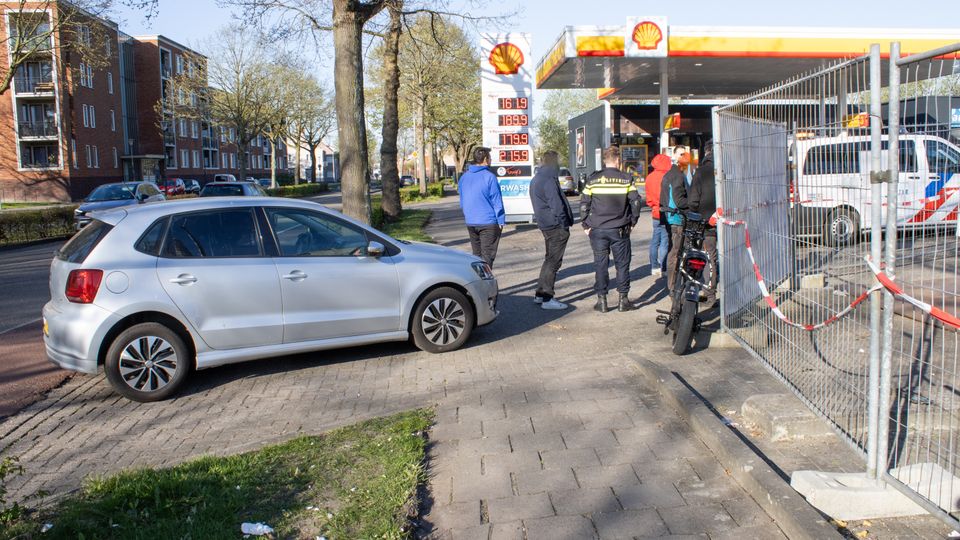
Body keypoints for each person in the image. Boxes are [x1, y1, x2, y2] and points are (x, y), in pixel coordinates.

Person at [581, 146, 642, 313]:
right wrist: (633, 221)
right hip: (620, 229)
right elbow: (635, 202)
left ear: (604, 161)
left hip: (598, 230)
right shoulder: (626, 179)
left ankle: (602, 301)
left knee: (600, 264)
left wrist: (586, 225)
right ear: (618, 161)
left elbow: (584, 204)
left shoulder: (593, 179)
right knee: (622, 265)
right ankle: (623, 300)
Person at [529, 150, 574, 310]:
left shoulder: (537, 178)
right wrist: (563, 224)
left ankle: (540, 295)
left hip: (545, 224)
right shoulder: (548, 179)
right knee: (554, 262)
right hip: (555, 226)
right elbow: (556, 205)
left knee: (549, 260)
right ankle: (547, 298)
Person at [458, 147, 504, 268]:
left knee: (476, 257)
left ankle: (477, 284)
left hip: (471, 222)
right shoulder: (489, 177)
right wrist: (501, 220)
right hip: (488, 222)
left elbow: (462, 200)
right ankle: (485, 285)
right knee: (487, 259)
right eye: (489, 157)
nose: (491, 160)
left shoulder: (464, 177)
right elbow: (496, 201)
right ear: (485, 159)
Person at [689, 144, 718, 307]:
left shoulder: (700, 172)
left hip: (707, 223)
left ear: (706, 153)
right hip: (728, 219)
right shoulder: (725, 169)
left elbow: (693, 200)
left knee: (709, 257)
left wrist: (695, 214)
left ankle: (710, 294)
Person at [661, 146, 690, 291]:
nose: (685, 157)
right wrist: (692, 204)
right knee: (676, 253)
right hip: (678, 219)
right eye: (681, 154)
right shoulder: (677, 175)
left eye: (685, 154)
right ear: (675, 156)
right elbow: (679, 200)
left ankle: (673, 286)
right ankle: (674, 288)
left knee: (674, 252)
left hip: (671, 218)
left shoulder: (670, 174)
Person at [645, 153, 672, 277]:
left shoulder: (649, 177)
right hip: (666, 212)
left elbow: (648, 198)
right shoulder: (668, 177)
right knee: (665, 240)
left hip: (655, 211)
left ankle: (654, 266)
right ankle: (664, 267)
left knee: (655, 239)